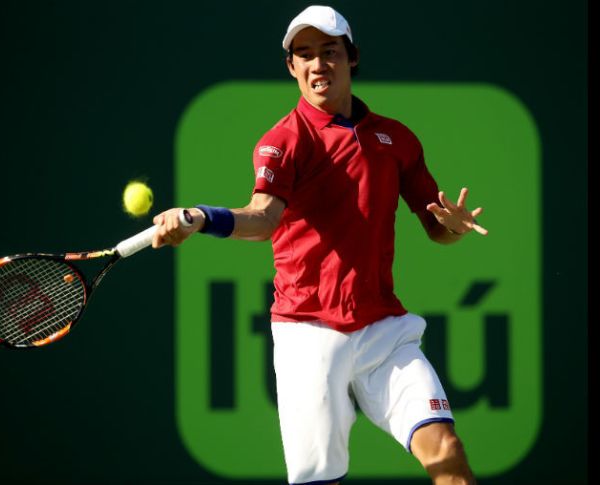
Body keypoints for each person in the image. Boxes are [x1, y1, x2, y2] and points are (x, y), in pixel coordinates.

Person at [152, 5, 486, 485]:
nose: (317, 65)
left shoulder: (397, 140)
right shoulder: (284, 141)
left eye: (329, 52)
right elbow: (262, 219)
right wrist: (203, 217)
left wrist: (452, 227)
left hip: (383, 329)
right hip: (308, 334)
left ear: (352, 58)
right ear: (291, 67)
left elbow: (436, 227)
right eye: (304, 55)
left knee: (447, 454)